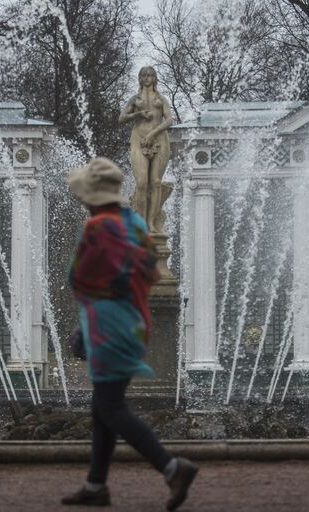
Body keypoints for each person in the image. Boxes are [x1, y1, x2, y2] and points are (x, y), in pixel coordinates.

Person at [62, 157, 198, 510]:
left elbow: (77, 277)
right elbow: (150, 274)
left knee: (110, 405)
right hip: (135, 322)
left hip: (108, 327)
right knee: (102, 406)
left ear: (92, 196)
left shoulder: (98, 227)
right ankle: (96, 486)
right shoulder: (136, 224)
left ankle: (171, 468)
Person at [118, 66, 174, 233]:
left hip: (160, 140)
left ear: (155, 78)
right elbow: (121, 118)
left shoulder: (161, 99)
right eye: (144, 75)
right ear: (140, 79)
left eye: (150, 75)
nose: (147, 78)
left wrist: (154, 133)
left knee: (156, 182)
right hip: (138, 140)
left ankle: (151, 223)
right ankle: (141, 222)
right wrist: (139, 114)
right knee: (142, 183)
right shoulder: (135, 99)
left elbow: (170, 120)